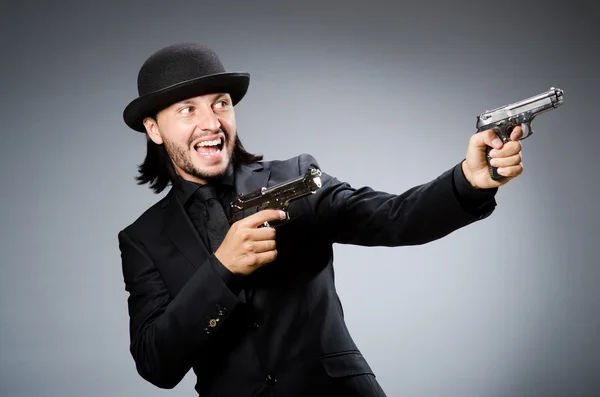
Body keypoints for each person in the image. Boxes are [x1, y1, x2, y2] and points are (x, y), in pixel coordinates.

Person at [118, 43, 523, 397]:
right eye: (188, 109)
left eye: (220, 103)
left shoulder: (294, 178)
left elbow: (395, 217)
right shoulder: (142, 239)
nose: (211, 122)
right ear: (154, 129)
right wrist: (221, 270)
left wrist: (470, 182)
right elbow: (156, 364)